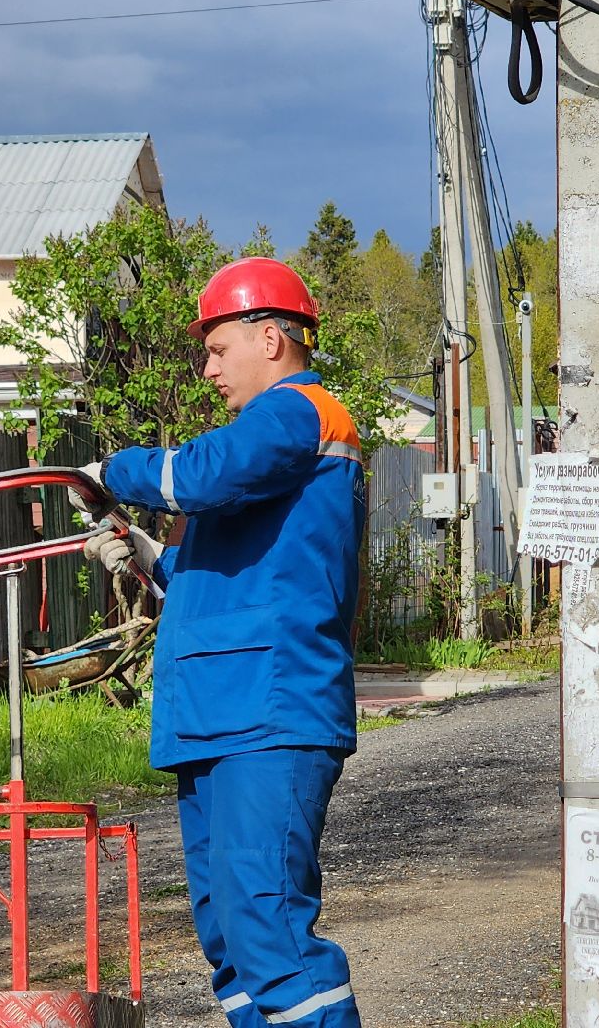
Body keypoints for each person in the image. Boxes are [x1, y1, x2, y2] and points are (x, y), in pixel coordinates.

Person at [79, 257, 366, 1028]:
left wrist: (114, 471)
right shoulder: (270, 443)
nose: (208, 370)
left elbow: (207, 473)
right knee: (231, 944)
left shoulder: (298, 411)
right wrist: (144, 554)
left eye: (216, 348)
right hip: (220, 715)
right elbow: (222, 578)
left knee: (270, 936)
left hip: (268, 712)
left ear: (270, 338)